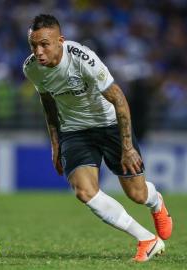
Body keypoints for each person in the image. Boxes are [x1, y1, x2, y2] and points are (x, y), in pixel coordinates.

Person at [23, 14, 172, 262]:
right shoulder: (31, 68)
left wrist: (127, 147)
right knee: (84, 191)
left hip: (109, 124)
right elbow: (47, 101)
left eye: (44, 44)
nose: (38, 51)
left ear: (60, 40)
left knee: (136, 194)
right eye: (34, 45)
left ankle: (155, 201)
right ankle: (146, 238)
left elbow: (119, 100)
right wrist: (55, 142)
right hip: (74, 130)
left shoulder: (83, 59)